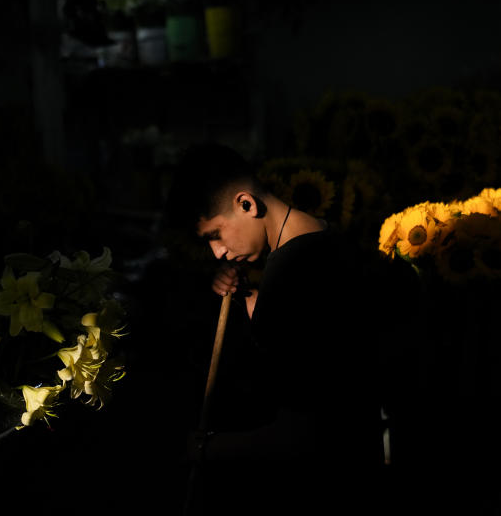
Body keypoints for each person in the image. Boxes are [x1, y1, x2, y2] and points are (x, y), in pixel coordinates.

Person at [163, 143, 385, 513]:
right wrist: (249, 295)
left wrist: (208, 448)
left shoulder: (293, 275)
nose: (216, 252)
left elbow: (305, 434)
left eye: (215, 234)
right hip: (358, 472)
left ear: (246, 204)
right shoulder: (326, 240)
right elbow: (291, 347)